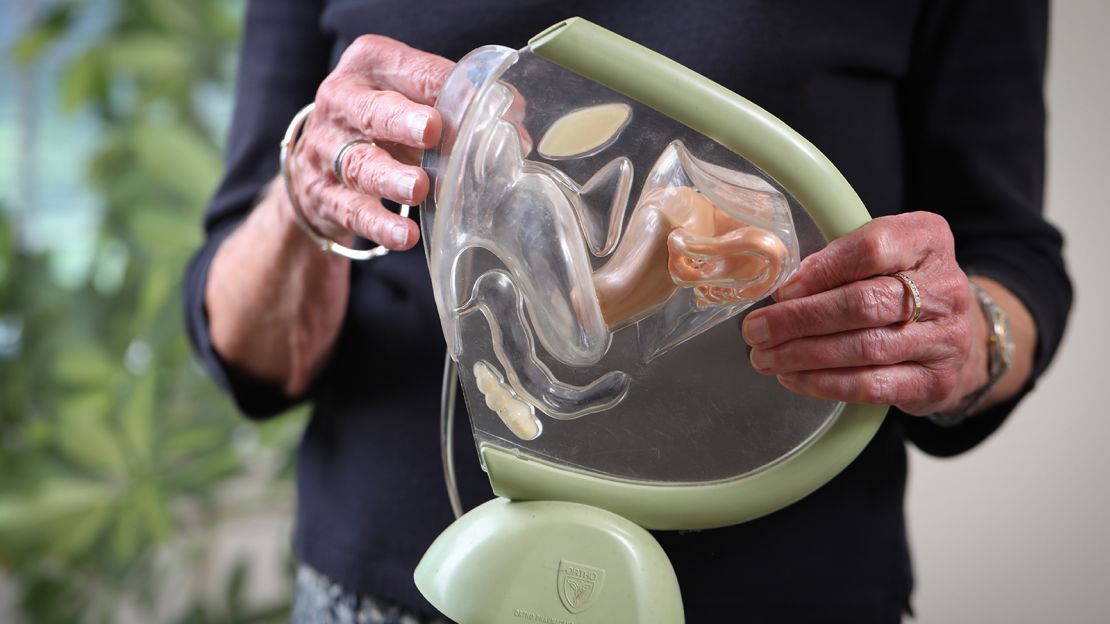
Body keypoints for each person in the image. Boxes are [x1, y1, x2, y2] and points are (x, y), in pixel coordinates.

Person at [185, 1, 1070, 621]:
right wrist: (304, 199)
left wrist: (962, 335)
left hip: (784, 585)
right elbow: (246, 347)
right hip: (403, 591)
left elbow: (1010, 259)